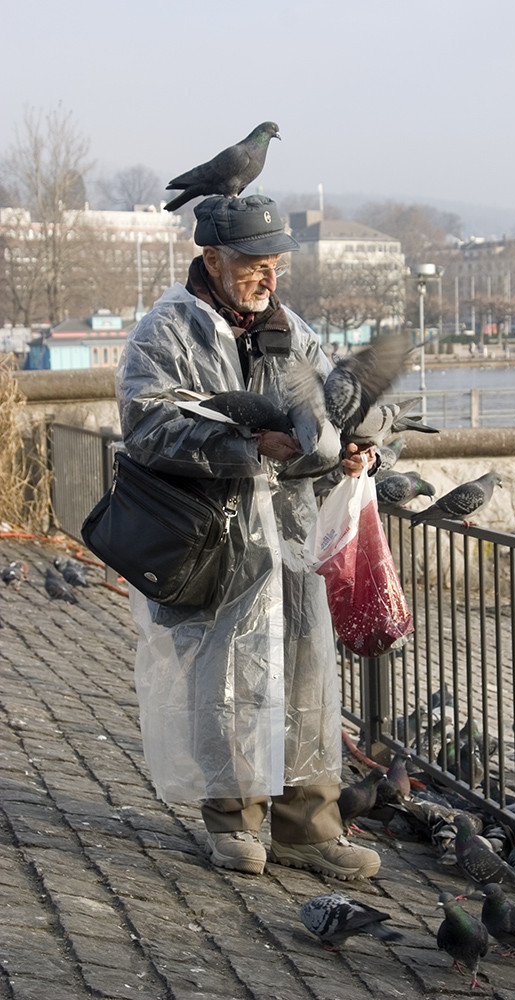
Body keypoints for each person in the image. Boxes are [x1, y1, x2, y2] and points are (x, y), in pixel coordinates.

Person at [115, 194, 381, 880]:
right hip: (209, 535)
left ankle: (309, 827)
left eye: (275, 266)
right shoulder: (165, 331)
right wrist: (246, 445)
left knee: (307, 674)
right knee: (221, 680)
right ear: (211, 259)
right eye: (255, 266)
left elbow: (344, 402)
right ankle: (233, 819)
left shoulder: (289, 328)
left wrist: (361, 448)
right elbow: (147, 426)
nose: (268, 279)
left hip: (289, 534)